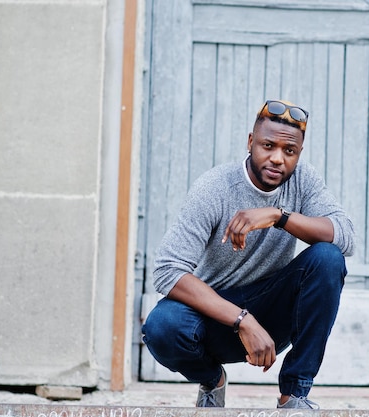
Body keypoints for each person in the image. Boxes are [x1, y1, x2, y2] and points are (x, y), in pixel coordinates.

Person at [141, 99, 355, 409]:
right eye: (268, 146)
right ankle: (212, 380)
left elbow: (346, 237)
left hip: (272, 312)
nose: (277, 159)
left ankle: (294, 395)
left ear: (299, 154)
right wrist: (243, 320)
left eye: (289, 151)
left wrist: (278, 216)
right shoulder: (215, 188)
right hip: (213, 318)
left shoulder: (302, 181)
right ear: (250, 142)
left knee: (327, 258)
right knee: (162, 326)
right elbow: (167, 270)